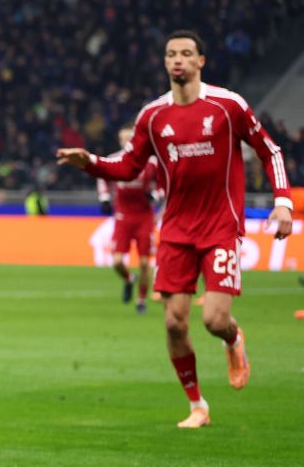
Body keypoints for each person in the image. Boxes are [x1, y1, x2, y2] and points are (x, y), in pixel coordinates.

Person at [57, 30, 292, 428]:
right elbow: (128, 166)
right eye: (171, 54)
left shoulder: (227, 105)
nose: (177, 60)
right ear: (165, 62)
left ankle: (234, 339)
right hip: (176, 229)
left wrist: (282, 201)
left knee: (214, 320)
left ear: (201, 61)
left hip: (220, 225)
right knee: (173, 323)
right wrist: (91, 162)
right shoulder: (152, 116)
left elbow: (270, 150)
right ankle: (198, 405)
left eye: (185, 53)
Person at [95, 126, 163, 314]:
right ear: (120, 141)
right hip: (123, 216)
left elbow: (164, 183)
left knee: (144, 262)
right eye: (124, 139)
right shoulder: (114, 159)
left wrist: (155, 196)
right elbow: (102, 177)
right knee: (117, 261)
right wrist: (104, 198)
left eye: (130, 138)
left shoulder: (150, 162)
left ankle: (141, 300)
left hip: (144, 217)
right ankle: (129, 279)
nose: (127, 142)